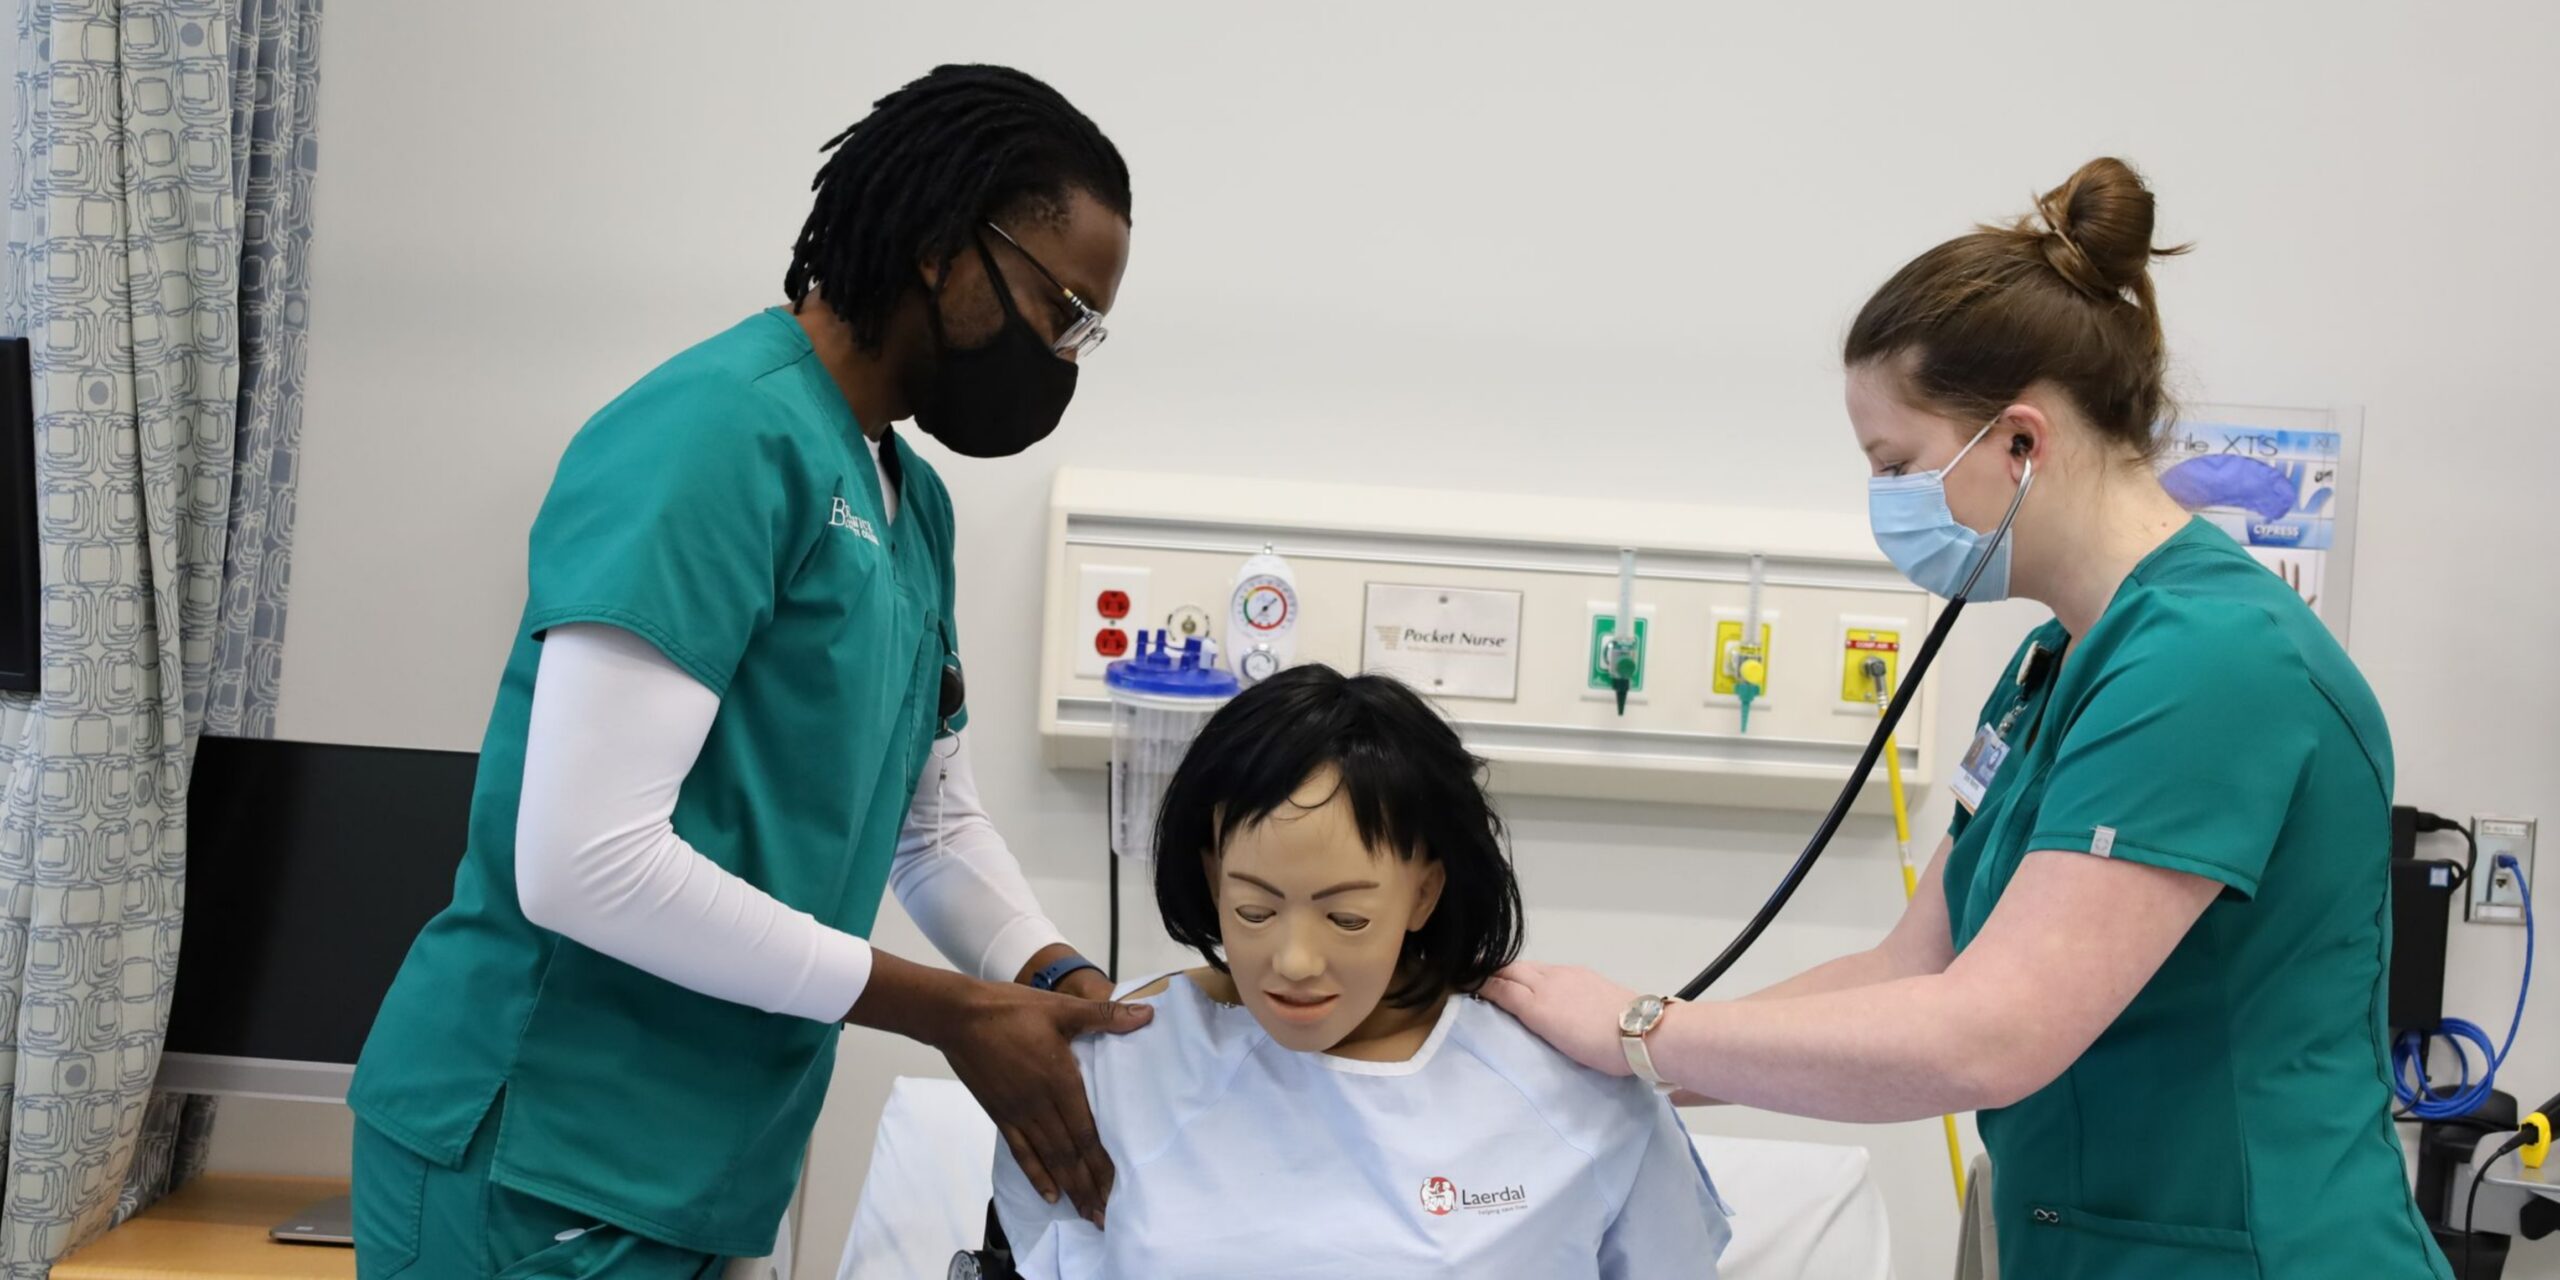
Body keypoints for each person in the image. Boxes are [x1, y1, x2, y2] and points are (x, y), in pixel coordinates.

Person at [1487, 158, 2452, 1278]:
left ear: (2021, 443)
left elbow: (1988, 1032)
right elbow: (1912, 966)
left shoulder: (2213, 664)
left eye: (1896, 463)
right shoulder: (2058, 662)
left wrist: (1639, 1029)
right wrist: (1612, 1058)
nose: (1886, 500)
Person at [347, 66, 1146, 1278]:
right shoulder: (716, 433)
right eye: (1061, 310)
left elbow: (927, 823)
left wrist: (1057, 982)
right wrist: (951, 1013)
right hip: (536, 1148)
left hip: (703, 1169)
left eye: (1088, 331)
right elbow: (584, 861)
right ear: (940, 246)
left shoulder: (909, 500)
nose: (1064, 359)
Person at [991, 666, 1730, 1279]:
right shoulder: (1114, 1073)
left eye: (1346, 919)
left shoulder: (1577, 1092)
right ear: (1212, 875)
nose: (1294, 962)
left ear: (1423, 892)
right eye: (1254, 911)